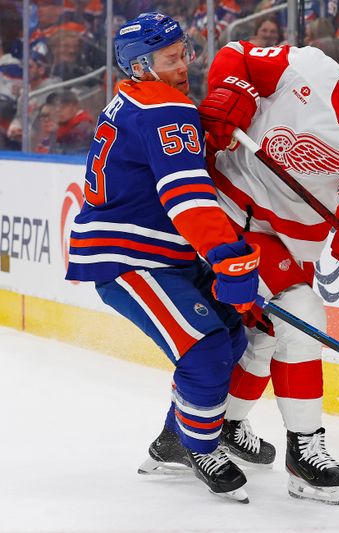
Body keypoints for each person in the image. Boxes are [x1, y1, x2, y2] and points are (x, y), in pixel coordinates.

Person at [198, 31, 339, 505]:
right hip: (225, 207)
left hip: (284, 240)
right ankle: (302, 450)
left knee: (267, 336)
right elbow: (237, 55)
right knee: (301, 318)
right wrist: (231, 91)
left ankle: (221, 425)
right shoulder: (305, 68)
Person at [65, 12, 265, 503]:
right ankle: (201, 446)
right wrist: (227, 257)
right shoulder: (164, 108)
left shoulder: (138, 99)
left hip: (159, 253)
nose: (185, 65)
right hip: (131, 259)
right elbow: (188, 196)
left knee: (232, 338)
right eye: (171, 59)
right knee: (206, 350)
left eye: (185, 53)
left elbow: (158, 169)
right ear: (141, 66)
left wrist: (202, 131)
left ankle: (174, 440)